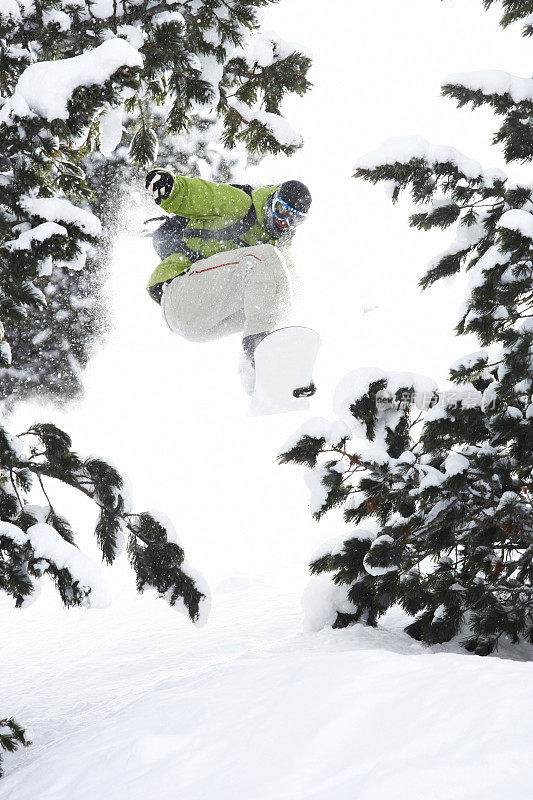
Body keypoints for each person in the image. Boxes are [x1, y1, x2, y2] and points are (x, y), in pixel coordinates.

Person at [145, 168, 312, 388]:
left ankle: (270, 374)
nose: (285, 222)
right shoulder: (241, 204)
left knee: (284, 291)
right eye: (281, 211)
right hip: (180, 294)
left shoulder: (277, 255)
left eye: (295, 220)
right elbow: (203, 195)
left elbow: (285, 295)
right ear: (272, 201)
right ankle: (258, 354)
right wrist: (172, 188)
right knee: (266, 258)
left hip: (204, 322)